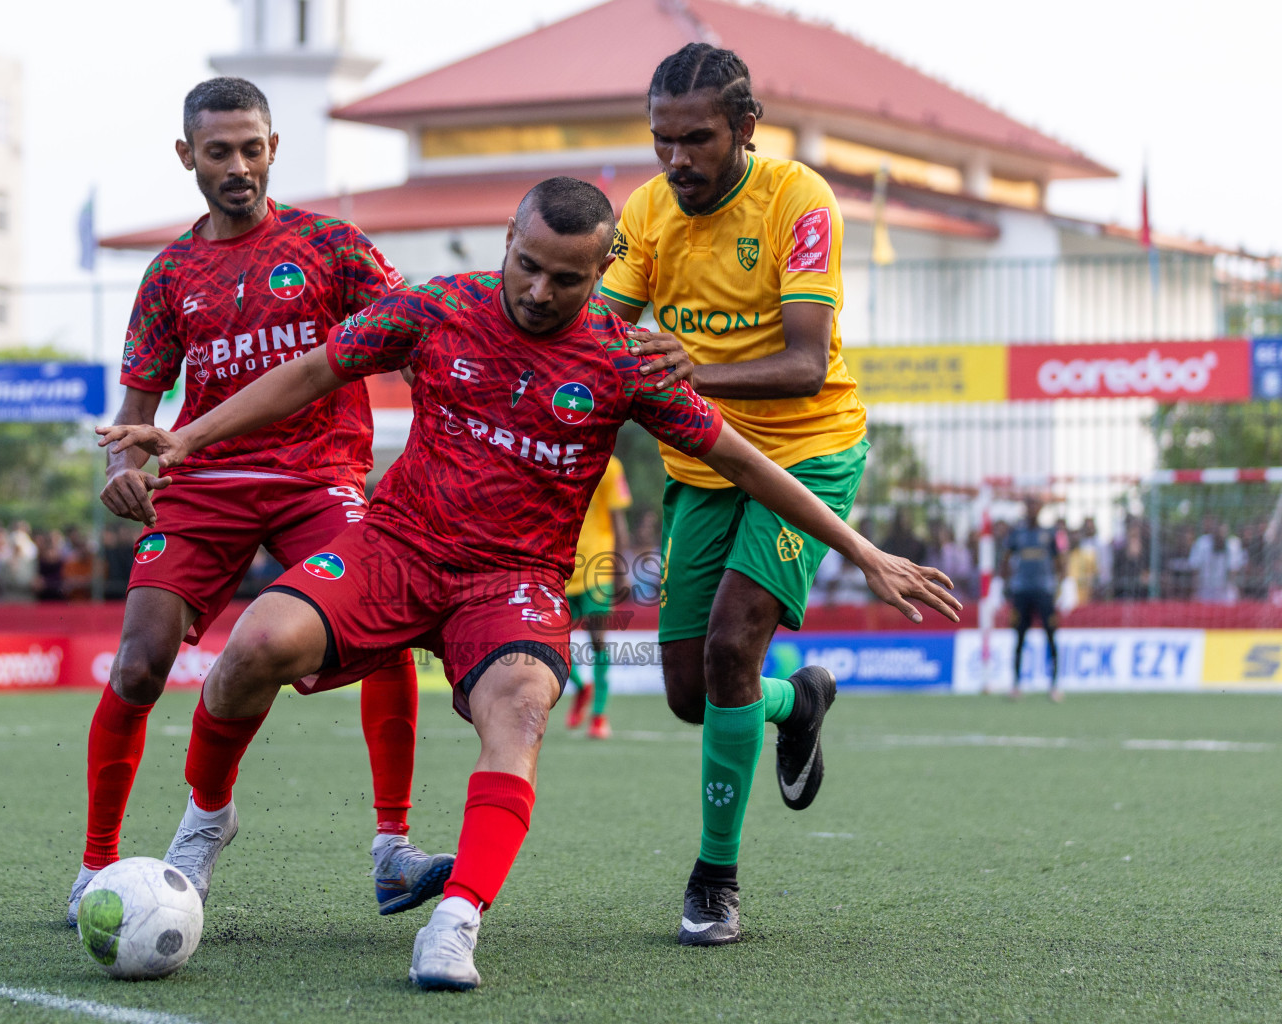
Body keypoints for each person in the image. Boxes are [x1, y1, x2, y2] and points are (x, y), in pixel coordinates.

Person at [99, 176, 960, 991]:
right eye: (530, 265)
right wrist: (188, 436)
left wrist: (866, 553)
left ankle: (457, 920)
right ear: (508, 240)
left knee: (520, 707)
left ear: (601, 274)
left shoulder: (627, 361)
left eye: (569, 279)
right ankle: (208, 817)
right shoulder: (437, 305)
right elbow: (316, 370)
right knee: (256, 643)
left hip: (512, 579)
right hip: (398, 543)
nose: (543, 291)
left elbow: (744, 460)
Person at [68, 77, 448, 926]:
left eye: (252, 148)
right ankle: (96, 866)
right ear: (186, 157)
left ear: (274, 148)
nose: (238, 166)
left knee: (379, 627)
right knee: (137, 663)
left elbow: (415, 340)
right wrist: (126, 472)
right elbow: (135, 420)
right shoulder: (170, 275)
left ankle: (392, 848)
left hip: (320, 481)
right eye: (218, 152)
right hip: (203, 486)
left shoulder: (334, 247)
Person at [598, 43, 872, 945]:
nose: (677, 160)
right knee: (691, 692)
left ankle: (715, 877)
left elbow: (802, 362)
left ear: (746, 127)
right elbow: (601, 334)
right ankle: (801, 700)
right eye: (662, 141)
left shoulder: (801, 200)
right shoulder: (646, 212)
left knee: (728, 648)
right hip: (702, 468)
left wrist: (695, 374)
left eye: (698, 140)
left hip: (808, 456)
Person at [562, 454, 632, 739]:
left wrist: (621, 567)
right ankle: (581, 687)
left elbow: (618, 520)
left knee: (598, 641)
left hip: (596, 567)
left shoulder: (611, 466)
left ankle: (599, 715)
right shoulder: (557, 458)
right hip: (561, 565)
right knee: (550, 639)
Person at [1001, 495, 1063, 700]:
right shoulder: (1016, 534)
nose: (1032, 509)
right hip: (1021, 592)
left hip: (1044, 591)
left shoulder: (1051, 533)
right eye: (1029, 505)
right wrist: (1001, 583)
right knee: (1019, 637)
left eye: (1035, 505)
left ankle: (1054, 684)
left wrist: (1064, 584)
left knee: (1051, 635)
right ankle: (1016, 683)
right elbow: (1006, 559)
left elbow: (1060, 560)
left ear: (1041, 508)